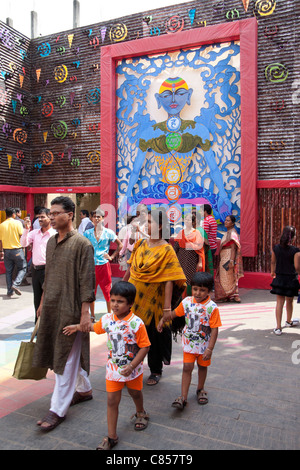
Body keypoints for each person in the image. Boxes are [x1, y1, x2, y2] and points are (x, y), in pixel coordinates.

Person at [63, 281, 151, 450]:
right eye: (113, 300)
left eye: (120, 301)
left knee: (135, 392)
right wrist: (77, 327)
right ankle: (112, 437)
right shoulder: (107, 319)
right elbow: (94, 327)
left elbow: (145, 346)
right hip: (113, 369)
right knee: (111, 400)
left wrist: (132, 366)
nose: (115, 304)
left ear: (130, 304)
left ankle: (141, 412)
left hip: (133, 369)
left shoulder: (136, 323)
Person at [33, 196, 96, 432]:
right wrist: (41, 302)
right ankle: (84, 390)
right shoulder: (51, 242)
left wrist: (85, 315)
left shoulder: (83, 244)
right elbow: (48, 277)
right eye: (50, 212)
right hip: (51, 307)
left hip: (72, 312)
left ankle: (57, 409)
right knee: (67, 355)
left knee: (65, 359)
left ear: (69, 215)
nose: (50, 216)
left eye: (55, 212)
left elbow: (87, 282)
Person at [123, 208, 186, 386]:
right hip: (135, 300)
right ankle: (132, 367)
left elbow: (170, 280)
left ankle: (155, 369)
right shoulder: (139, 245)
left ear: (160, 226)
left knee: (152, 337)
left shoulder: (167, 250)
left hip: (155, 303)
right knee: (132, 334)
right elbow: (130, 269)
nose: (145, 225)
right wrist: (120, 289)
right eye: (146, 221)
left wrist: (167, 309)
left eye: (150, 222)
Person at [158, 272, 221, 409]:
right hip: (189, 345)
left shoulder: (212, 308)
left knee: (203, 367)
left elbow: (215, 329)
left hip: (204, 346)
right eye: (195, 289)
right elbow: (174, 314)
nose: (198, 293)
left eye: (202, 290)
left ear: (209, 291)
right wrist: (163, 320)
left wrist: (210, 349)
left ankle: (200, 389)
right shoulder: (186, 302)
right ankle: (183, 397)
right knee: (187, 368)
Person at [84, 209, 123, 316]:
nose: (96, 219)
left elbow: (120, 245)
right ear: (91, 218)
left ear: (102, 219)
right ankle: (92, 315)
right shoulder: (87, 233)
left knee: (107, 291)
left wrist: (112, 256)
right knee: (92, 291)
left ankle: (110, 314)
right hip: (91, 266)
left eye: (98, 217)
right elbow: (82, 248)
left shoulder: (109, 232)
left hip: (104, 265)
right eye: (94, 216)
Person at [20, 208, 56, 322]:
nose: (40, 219)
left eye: (42, 217)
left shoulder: (55, 234)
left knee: (48, 299)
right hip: (36, 270)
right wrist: (26, 229)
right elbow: (23, 243)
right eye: (39, 217)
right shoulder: (34, 233)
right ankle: (38, 325)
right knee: (37, 298)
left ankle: (48, 325)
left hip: (49, 270)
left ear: (49, 217)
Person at [270, 226, 300, 335]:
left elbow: (273, 261)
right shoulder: (295, 251)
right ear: (293, 237)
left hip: (279, 278)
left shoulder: (276, 248)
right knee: (289, 301)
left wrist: (273, 272)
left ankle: (278, 327)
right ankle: (288, 321)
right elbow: (297, 267)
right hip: (291, 278)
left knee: (279, 302)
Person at [173, 213, 206, 296]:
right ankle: (180, 298)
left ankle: (191, 297)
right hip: (181, 259)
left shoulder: (196, 233)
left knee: (191, 280)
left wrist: (200, 262)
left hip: (191, 260)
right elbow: (176, 247)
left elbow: (199, 249)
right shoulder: (181, 232)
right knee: (181, 279)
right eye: (186, 219)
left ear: (193, 222)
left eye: (189, 220)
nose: (187, 221)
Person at [214, 215, 244, 303]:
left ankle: (233, 294)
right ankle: (226, 295)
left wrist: (231, 260)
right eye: (226, 220)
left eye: (228, 221)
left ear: (233, 223)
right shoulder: (227, 233)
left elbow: (233, 248)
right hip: (224, 257)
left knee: (229, 276)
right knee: (225, 277)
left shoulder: (232, 234)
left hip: (228, 256)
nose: (226, 222)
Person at [0, 207, 27, 296]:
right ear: (13, 214)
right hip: (17, 250)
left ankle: (9, 291)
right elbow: (21, 235)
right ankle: (16, 284)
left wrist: (1, 251)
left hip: (6, 251)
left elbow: (0, 240)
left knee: (8, 271)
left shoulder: (2, 225)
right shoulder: (17, 223)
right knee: (23, 268)